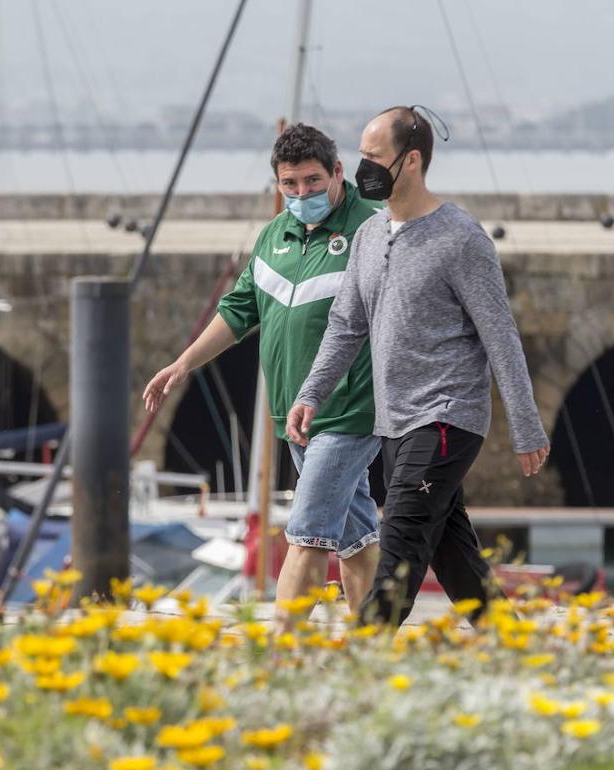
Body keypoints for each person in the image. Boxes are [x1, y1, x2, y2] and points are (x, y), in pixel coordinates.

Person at [288, 106, 551, 627]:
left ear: (410, 161)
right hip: (396, 422)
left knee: (401, 550)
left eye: (373, 157)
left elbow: (500, 336)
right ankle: (517, 649)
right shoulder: (368, 235)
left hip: (447, 419)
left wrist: (526, 426)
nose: (363, 168)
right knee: (454, 559)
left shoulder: (461, 239)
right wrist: (310, 393)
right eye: (360, 156)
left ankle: (364, 668)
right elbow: (346, 326)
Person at [143, 124, 381, 625]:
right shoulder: (275, 234)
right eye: (290, 184)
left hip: (351, 408)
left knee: (307, 533)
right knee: (357, 537)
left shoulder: (372, 229)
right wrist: (183, 363)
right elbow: (239, 310)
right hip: (292, 412)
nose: (302, 194)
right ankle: (376, 643)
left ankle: (279, 654)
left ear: (338, 172)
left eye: (313, 181)